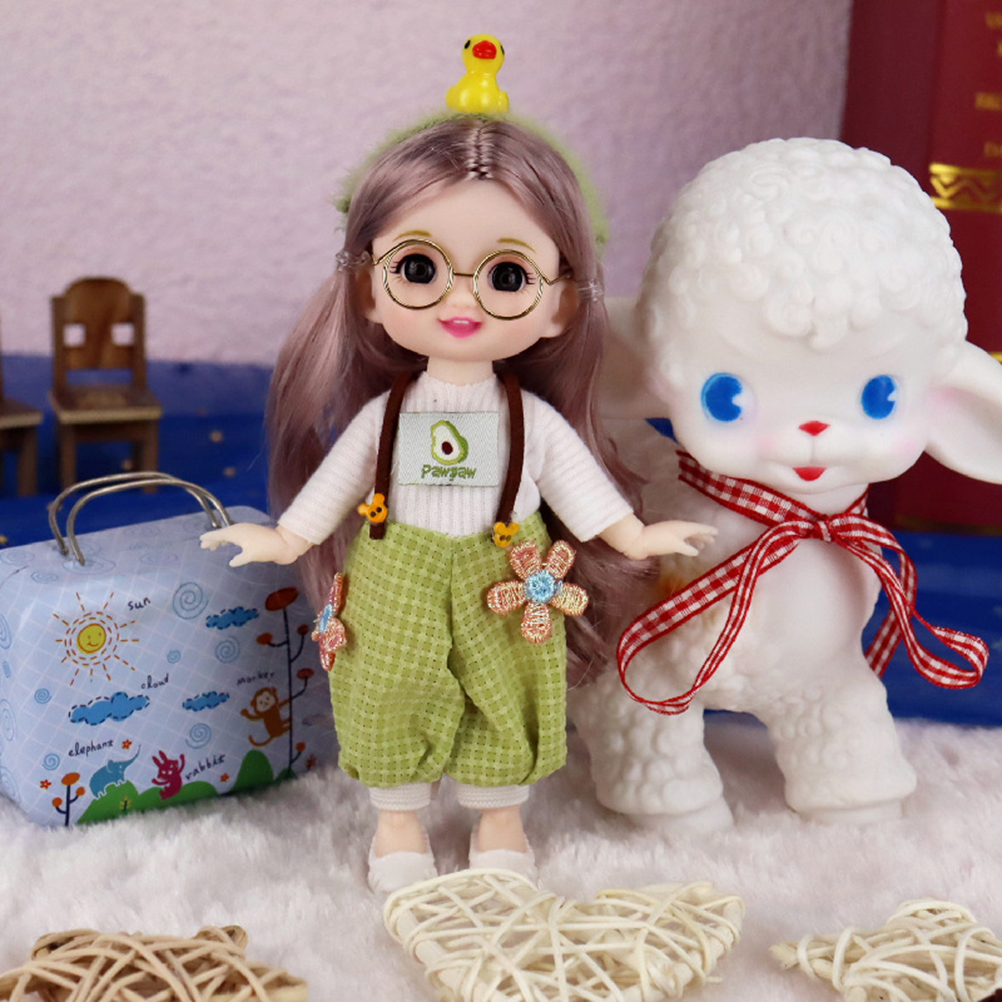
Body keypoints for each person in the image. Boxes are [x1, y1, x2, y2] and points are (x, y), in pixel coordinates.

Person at [201, 114, 713, 893]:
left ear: (560, 305)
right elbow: (338, 482)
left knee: (509, 685)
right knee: (386, 683)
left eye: (507, 277)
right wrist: (287, 538)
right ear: (369, 290)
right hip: (395, 568)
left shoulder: (528, 420)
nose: (461, 300)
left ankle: (500, 821)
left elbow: (578, 485)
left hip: (507, 569)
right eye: (419, 268)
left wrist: (634, 538)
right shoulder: (387, 416)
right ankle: (397, 826)